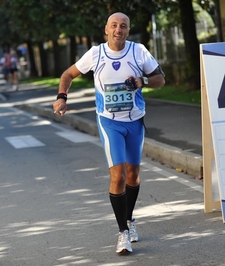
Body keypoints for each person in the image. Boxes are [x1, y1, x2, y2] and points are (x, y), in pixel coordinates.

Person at [53, 12, 165, 254]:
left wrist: (142, 81)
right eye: (114, 25)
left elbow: (160, 79)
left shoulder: (139, 51)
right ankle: (122, 233)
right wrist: (62, 97)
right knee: (118, 175)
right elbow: (67, 74)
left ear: (128, 30)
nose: (118, 30)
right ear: (106, 29)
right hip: (109, 121)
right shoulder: (96, 54)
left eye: (123, 26)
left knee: (133, 174)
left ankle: (130, 220)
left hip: (135, 120)